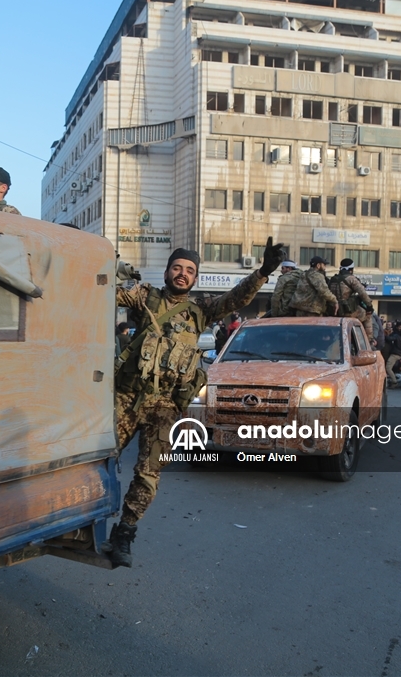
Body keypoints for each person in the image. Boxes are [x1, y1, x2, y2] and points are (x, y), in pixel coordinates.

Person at [104, 237, 285, 567]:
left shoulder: (201, 311)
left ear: (196, 277)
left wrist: (263, 273)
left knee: (149, 473)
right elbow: (107, 292)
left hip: (164, 407)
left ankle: (124, 533)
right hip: (128, 396)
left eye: (189, 270)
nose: (182, 274)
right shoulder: (145, 297)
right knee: (99, 456)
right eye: (177, 268)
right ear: (167, 272)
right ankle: (83, 518)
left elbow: (235, 299)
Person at [328, 258, 375, 344]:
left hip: (334, 311)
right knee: (368, 315)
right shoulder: (351, 279)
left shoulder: (333, 279)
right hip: (348, 311)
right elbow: (362, 293)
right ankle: (369, 341)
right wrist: (369, 306)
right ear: (351, 269)